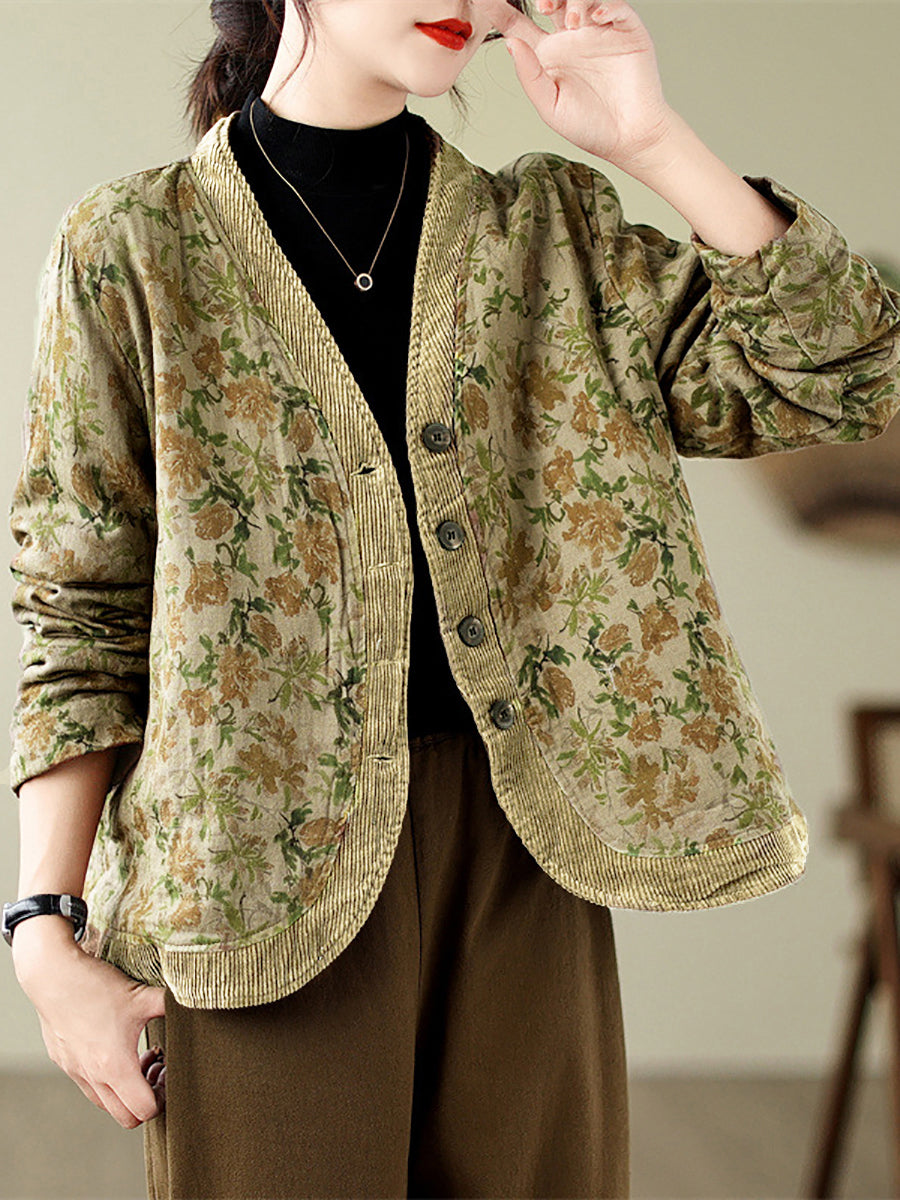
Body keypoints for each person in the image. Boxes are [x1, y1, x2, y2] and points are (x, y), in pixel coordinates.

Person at [6, 0, 900, 1197]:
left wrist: (652, 139)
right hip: (247, 871)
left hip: (527, 847)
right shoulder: (132, 247)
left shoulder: (554, 232)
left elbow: (843, 374)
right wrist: (44, 930)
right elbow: (81, 608)